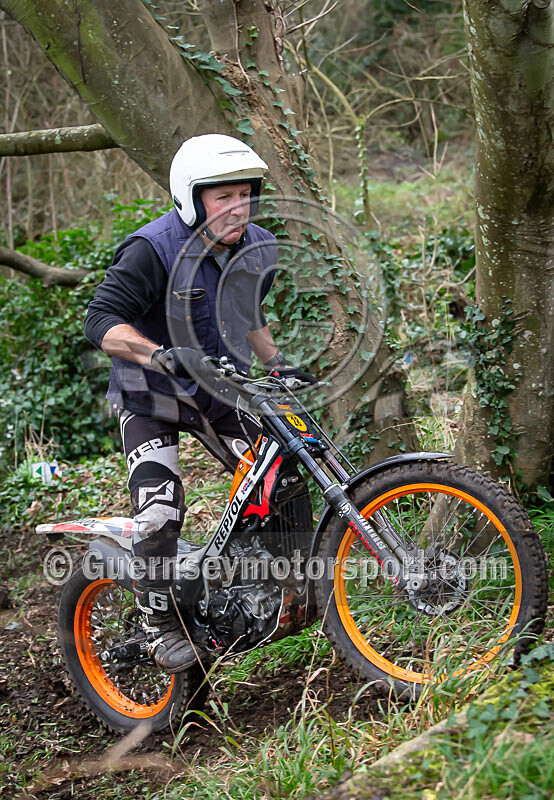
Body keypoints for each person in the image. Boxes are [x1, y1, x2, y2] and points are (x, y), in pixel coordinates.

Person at [84, 134, 313, 673]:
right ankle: (159, 623)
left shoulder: (258, 246)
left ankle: (287, 588)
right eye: (222, 196)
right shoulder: (151, 249)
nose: (238, 208)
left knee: (279, 479)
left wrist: (276, 362)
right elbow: (100, 323)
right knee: (160, 515)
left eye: (245, 195)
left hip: (218, 394)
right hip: (152, 398)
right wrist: (162, 355)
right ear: (191, 198)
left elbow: (248, 315)